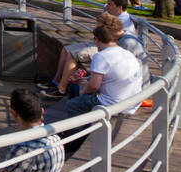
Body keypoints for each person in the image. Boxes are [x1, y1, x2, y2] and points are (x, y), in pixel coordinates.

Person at [49, 16, 145, 158]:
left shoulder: (101, 56)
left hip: (113, 104)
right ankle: (80, 125)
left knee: (73, 104)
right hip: (132, 102)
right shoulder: (126, 54)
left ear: (97, 39)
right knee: (77, 90)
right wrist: (87, 81)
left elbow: (94, 86)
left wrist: (83, 90)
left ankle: (73, 138)